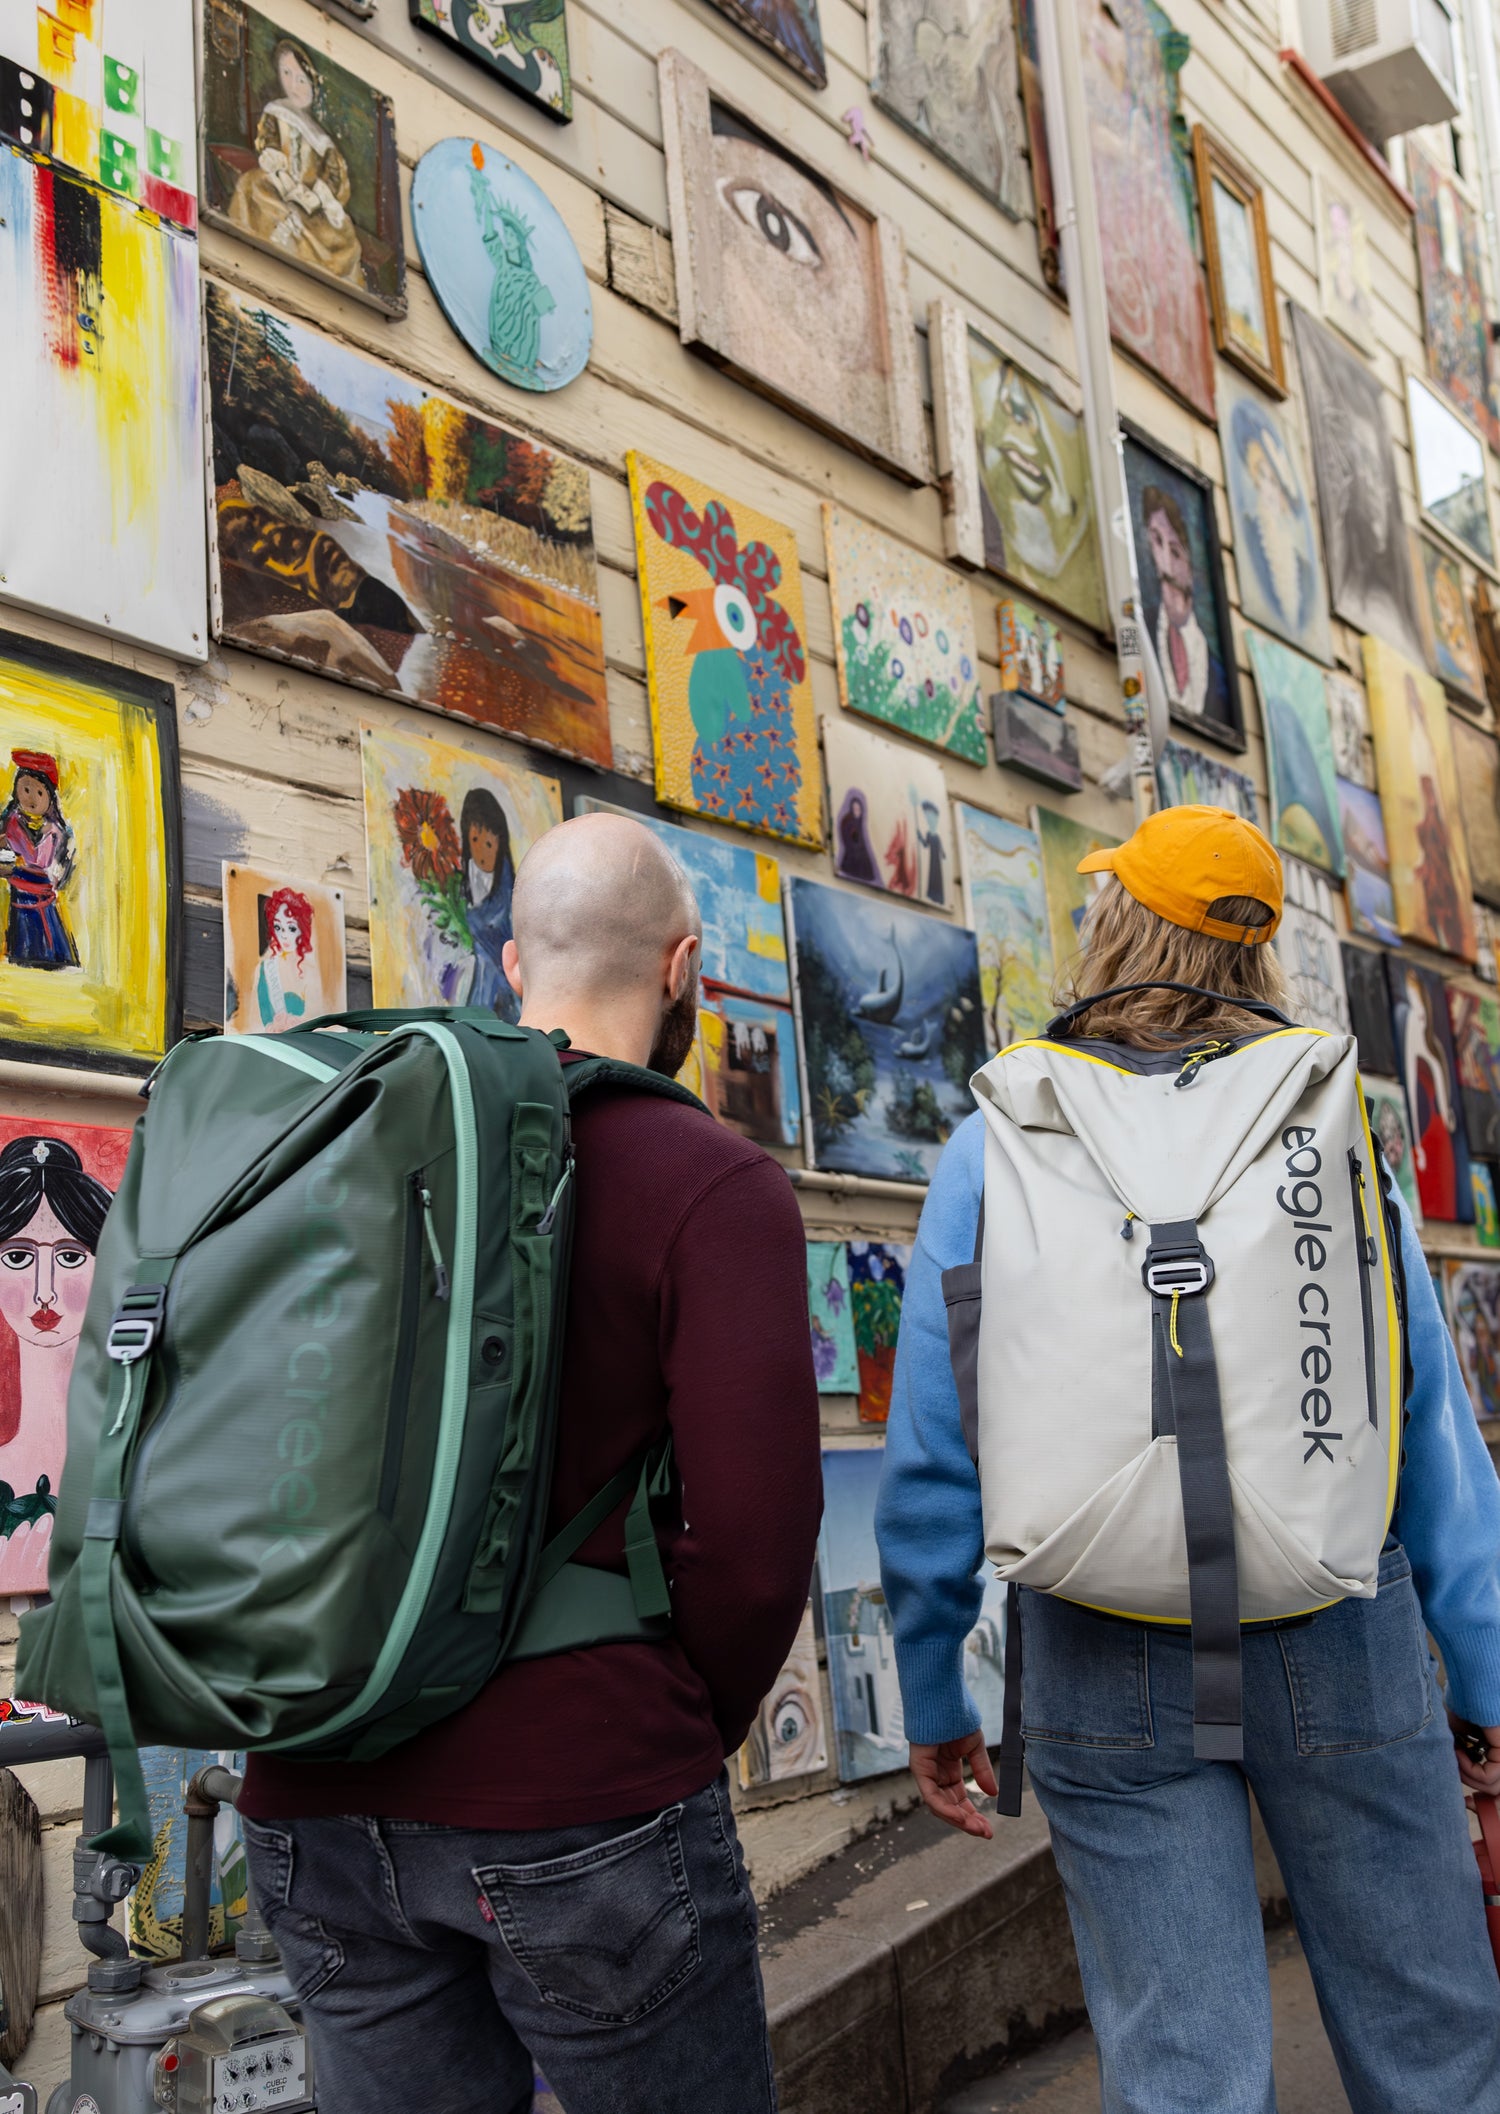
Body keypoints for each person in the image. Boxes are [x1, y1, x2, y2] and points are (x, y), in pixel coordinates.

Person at [877, 806, 1500, 2114]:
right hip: (1336, 1612)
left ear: (1115, 921)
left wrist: (934, 1686)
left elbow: (937, 1445)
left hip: (1103, 1635)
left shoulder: (1002, 1134)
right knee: (1436, 2042)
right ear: (1259, 952)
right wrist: (1486, 1688)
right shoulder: (1334, 1129)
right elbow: (1428, 1430)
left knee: (1182, 2072)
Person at [238, 810, 822, 2114]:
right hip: (580, 1791)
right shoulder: (708, 1179)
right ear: (683, 970)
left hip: (312, 1787)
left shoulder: (343, 1137)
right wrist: (661, 1732)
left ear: (509, 966)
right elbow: (756, 1537)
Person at [227, 38, 364, 290]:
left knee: (343, 235)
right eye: (286, 74)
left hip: (312, 203)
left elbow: (334, 179)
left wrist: (319, 196)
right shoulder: (277, 112)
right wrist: (280, 173)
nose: (293, 85)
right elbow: (267, 142)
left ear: (314, 85)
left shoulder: (323, 139)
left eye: (301, 79)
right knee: (254, 186)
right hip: (277, 183)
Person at [0, 749, 77, 969]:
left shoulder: (55, 831)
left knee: (52, 954)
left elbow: (57, 869)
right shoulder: (12, 824)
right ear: (16, 790)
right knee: (22, 950)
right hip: (20, 899)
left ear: (50, 798)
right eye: (26, 789)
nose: (31, 798)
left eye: (40, 793)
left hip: (44, 903)